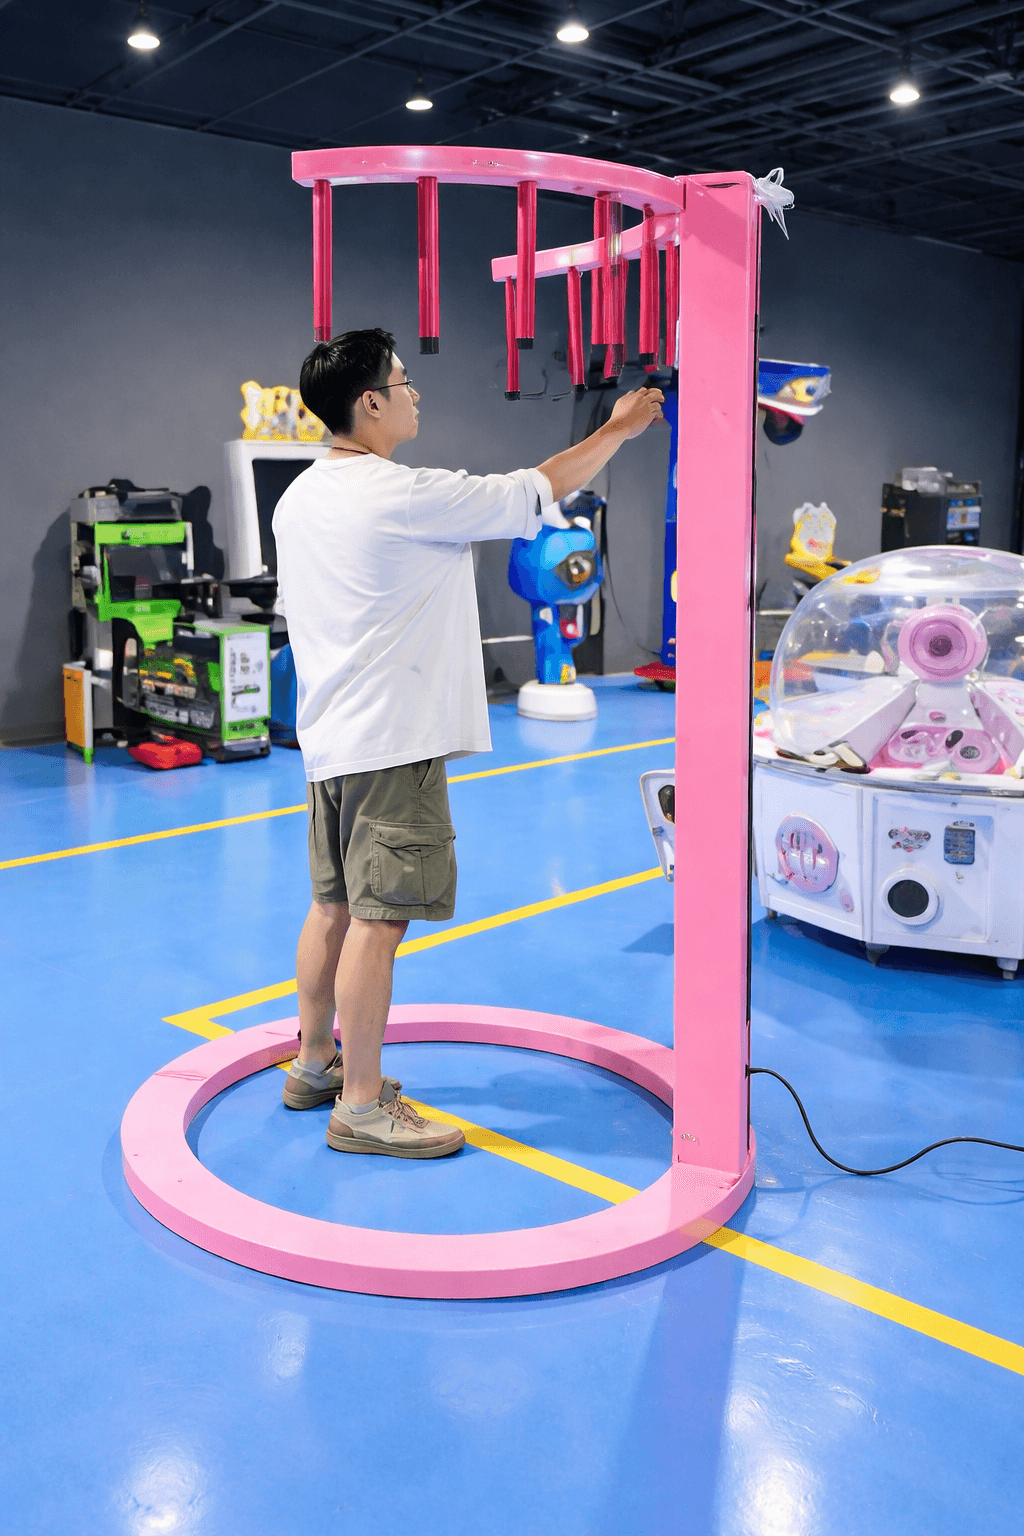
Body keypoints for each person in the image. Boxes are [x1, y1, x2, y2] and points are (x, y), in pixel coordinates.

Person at [273, 328, 664, 1160]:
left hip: (331, 741)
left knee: (332, 907)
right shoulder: (404, 493)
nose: (414, 394)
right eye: (402, 382)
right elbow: (540, 487)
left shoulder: (298, 498)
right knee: (379, 923)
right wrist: (620, 429)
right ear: (369, 402)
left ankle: (314, 1064)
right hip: (393, 743)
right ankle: (362, 1107)